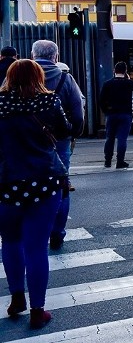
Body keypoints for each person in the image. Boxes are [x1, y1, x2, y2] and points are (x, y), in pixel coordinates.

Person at [0, 59, 72, 329]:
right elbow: (67, 130)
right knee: (36, 247)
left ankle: (17, 297)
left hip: (6, 183)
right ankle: (37, 310)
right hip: (45, 180)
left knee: (10, 242)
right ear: (38, 76)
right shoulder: (49, 102)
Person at [31, 40, 84, 251]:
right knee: (61, 185)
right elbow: (78, 111)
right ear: (56, 56)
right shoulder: (65, 78)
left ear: (33, 55)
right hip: (59, 140)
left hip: (25, 140)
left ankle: (33, 230)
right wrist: (74, 132)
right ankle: (57, 234)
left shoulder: (20, 76)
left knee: (28, 182)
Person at [99, 61, 133, 169]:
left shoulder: (108, 83)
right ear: (125, 71)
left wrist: (106, 111)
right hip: (125, 114)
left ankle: (108, 161)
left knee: (110, 138)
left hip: (111, 114)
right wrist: (130, 80)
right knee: (122, 139)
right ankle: (120, 162)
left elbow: (101, 100)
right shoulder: (129, 83)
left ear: (114, 71)